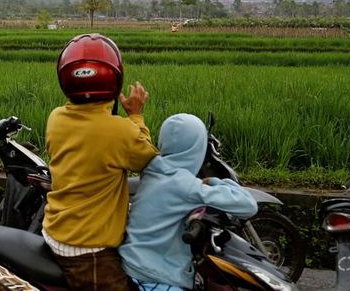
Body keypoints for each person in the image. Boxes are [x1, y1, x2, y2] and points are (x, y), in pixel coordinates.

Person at [42, 33, 158, 291]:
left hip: (57, 230)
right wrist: (136, 116)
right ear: (115, 79)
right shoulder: (121, 131)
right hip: (89, 251)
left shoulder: (56, 118)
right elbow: (148, 157)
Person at [120, 114, 258, 290]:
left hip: (130, 262)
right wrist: (214, 182)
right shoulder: (187, 185)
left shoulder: (151, 168)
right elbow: (248, 205)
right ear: (198, 148)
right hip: (155, 276)